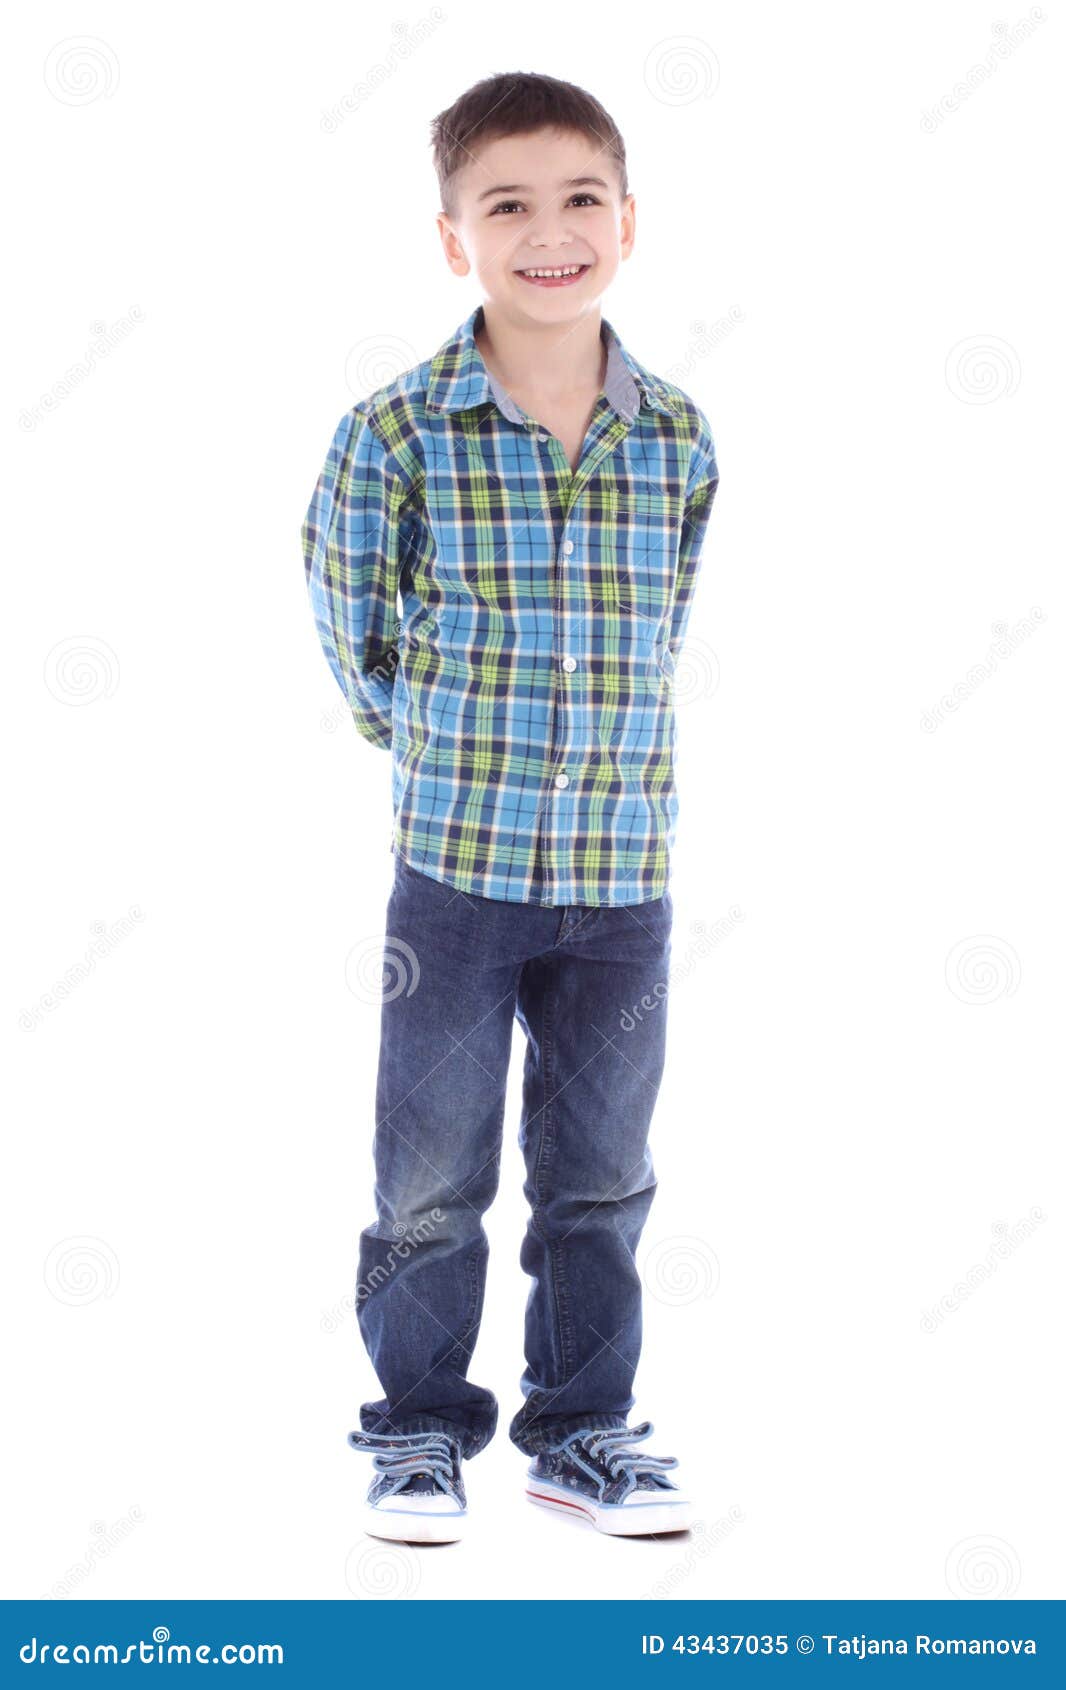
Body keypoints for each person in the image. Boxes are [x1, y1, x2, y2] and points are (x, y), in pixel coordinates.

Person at [301, 70, 719, 1544]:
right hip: (456, 873)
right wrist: (432, 747)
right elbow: (357, 638)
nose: (549, 232)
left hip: (622, 875)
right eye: (506, 206)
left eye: (578, 199)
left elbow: (658, 624)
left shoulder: (673, 433)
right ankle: (415, 1429)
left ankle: (581, 1432)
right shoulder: (394, 434)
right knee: (428, 1171)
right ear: (451, 238)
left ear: (626, 220)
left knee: (601, 1174)